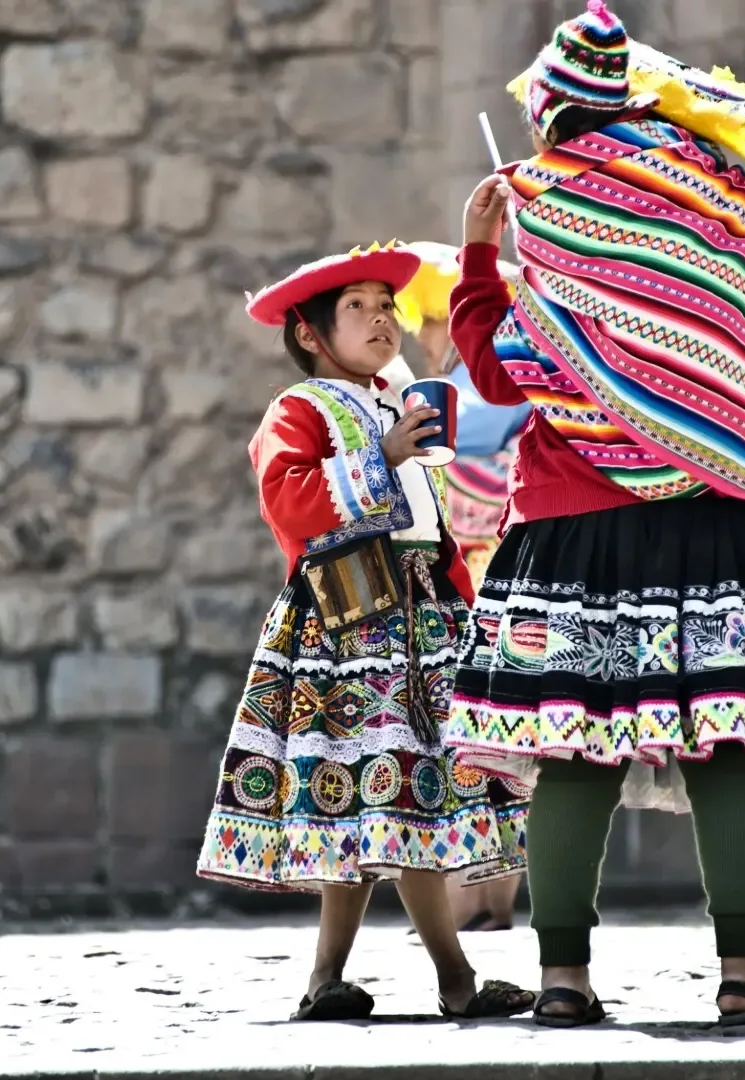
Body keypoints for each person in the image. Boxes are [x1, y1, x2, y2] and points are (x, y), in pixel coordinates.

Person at [443, 1, 745, 1028]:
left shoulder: (536, 207)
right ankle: (744, 975)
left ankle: (562, 979)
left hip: (571, 534)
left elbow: (502, 376)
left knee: (572, 748)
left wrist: (475, 261)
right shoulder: (741, 207)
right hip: (728, 520)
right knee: (730, 746)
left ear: (548, 113)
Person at [194, 242, 535, 1022]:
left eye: (388, 305)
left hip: (422, 618)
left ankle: (329, 980)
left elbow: (430, 519)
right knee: (390, 796)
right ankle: (454, 978)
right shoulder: (301, 409)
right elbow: (288, 498)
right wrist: (381, 456)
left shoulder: (401, 397)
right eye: (359, 308)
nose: (383, 318)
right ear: (312, 335)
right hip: (350, 625)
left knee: (372, 804)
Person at [396, 242, 533, 933]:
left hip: (466, 599)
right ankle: (492, 907)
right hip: (500, 599)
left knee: (456, 755)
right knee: (503, 755)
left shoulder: (458, 399)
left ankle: (470, 910)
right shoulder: (494, 392)